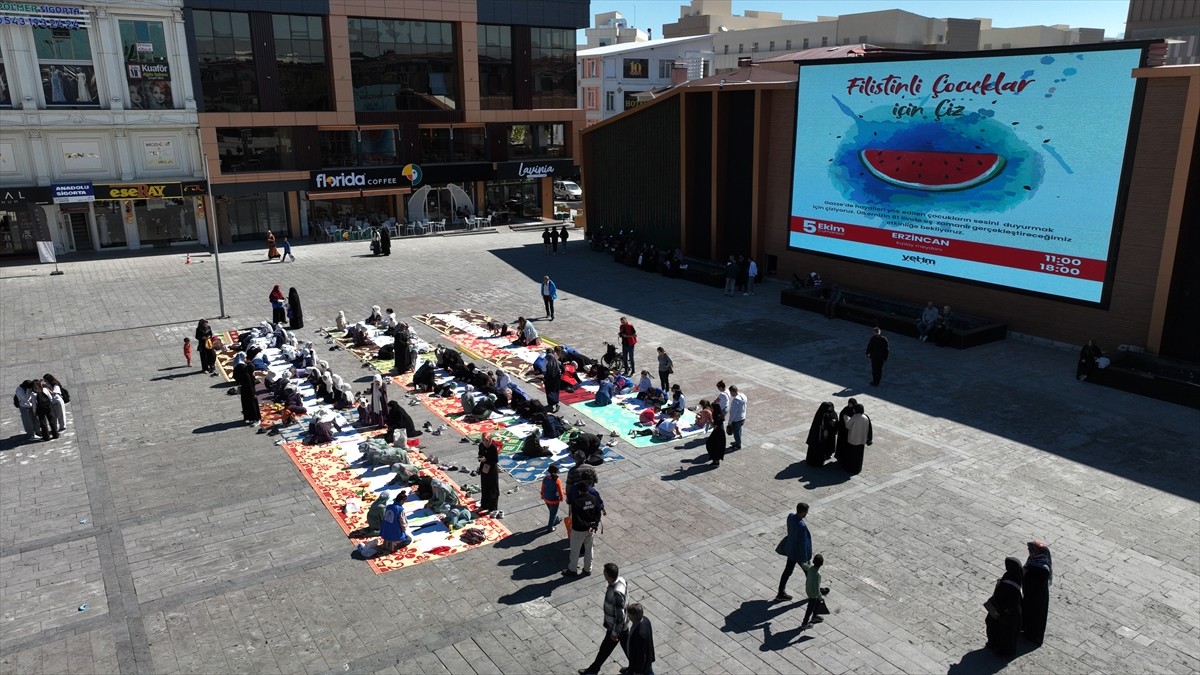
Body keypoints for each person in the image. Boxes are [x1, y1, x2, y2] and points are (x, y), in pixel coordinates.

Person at [578, 563, 629, 675]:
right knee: (628, 649)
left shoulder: (616, 592)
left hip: (616, 628)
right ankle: (635, 668)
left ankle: (593, 670)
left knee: (605, 650)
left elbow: (619, 616)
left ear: (608, 576)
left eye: (604, 572)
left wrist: (615, 633)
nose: (603, 574)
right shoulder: (621, 580)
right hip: (622, 626)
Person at [563, 469, 605, 577]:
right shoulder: (593, 499)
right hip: (591, 529)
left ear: (579, 491)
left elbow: (576, 518)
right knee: (589, 549)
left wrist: (584, 526)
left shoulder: (576, 502)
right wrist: (593, 526)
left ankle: (572, 569)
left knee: (575, 551)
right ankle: (587, 569)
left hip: (579, 529)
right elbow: (597, 514)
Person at [986, 557, 1024, 657]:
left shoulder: (1014, 580)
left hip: (1009, 612)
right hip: (1002, 608)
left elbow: (1012, 599)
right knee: (992, 623)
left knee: (1007, 633)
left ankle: (1005, 652)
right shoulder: (1012, 575)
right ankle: (994, 643)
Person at [776, 502, 813, 601]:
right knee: (809, 571)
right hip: (798, 553)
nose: (806, 514)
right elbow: (802, 543)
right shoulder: (801, 525)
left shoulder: (790, 517)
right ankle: (815, 591)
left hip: (791, 550)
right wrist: (805, 557)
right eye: (806, 512)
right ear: (803, 512)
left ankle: (780, 592)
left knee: (787, 572)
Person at [1023, 541, 1053, 646]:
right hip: (1030, 593)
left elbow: (1035, 583)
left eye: (1030, 550)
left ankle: (1033, 636)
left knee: (1036, 616)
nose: (1028, 551)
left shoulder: (1042, 568)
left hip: (1037, 597)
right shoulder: (1034, 560)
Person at [841, 404, 872, 474]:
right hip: (862, 440)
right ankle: (858, 468)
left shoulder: (855, 417)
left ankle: (851, 468)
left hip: (853, 440)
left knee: (852, 456)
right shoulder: (866, 417)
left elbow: (848, 425)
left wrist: (846, 417)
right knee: (859, 456)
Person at [805, 402, 838, 466]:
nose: (829, 408)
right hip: (819, 436)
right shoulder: (822, 415)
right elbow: (822, 425)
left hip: (820, 435)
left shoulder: (822, 414)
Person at [626, 603, 655, 675]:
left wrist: (637, 671)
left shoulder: (640, 634)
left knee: (647, 671)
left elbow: (641, 655)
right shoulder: (645, 620)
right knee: (649, 671)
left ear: (633, 618)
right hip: (647, 660)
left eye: (629, 615)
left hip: (640, 665)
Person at [800, 554, 828, 629]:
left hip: (808, 589)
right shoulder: (817, 575)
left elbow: (803, 565)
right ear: (822, 564)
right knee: (810, 608)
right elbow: (817, 588)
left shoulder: (810, 568)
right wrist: (820, 596)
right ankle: (804, 623)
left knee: (816, 603)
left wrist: (806, 560)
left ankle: (814, 616)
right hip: (813, 594)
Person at [231, 353, 261, 425]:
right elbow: (251, 386)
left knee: (247, 405)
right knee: (252, 405)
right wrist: (253, 394)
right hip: (249, 392)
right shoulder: (248, 376)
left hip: (245, 391)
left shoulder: (246, 373)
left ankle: (249, 418)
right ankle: (255, 418)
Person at [477, 431, 501, 516]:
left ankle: (492, 507)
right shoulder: (481, 445)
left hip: (492, 470)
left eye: (486, 440)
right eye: (483, 440)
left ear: (490, 440)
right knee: (484, 486)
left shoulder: (493, 447)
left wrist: (486, 459)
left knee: (493, 488)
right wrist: (480, 458)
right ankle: (484, 505)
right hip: (484, 468)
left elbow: (495, 460)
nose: (485, 442)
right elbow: (480, 454)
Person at [541, 464, 565, 531]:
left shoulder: (545, 479)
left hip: (546, 498)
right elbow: (560, 491)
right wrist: (561, 498)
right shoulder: (557, 480)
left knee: (552, 511)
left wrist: (542, 495)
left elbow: (543, 488)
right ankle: (550, 527)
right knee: (552, 514)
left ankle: (556, 519)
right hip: (554, 500)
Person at [727, 385, 747, 451]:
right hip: (742, 417)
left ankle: (738, 445)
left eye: (730, 392)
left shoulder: (735, 401)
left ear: (732, 392)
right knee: (739, 430)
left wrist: (729, 422)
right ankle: (737, 442)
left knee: (736, 433)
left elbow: (733, 413)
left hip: (736, 419)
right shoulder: (743, 396)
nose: (730, 394)